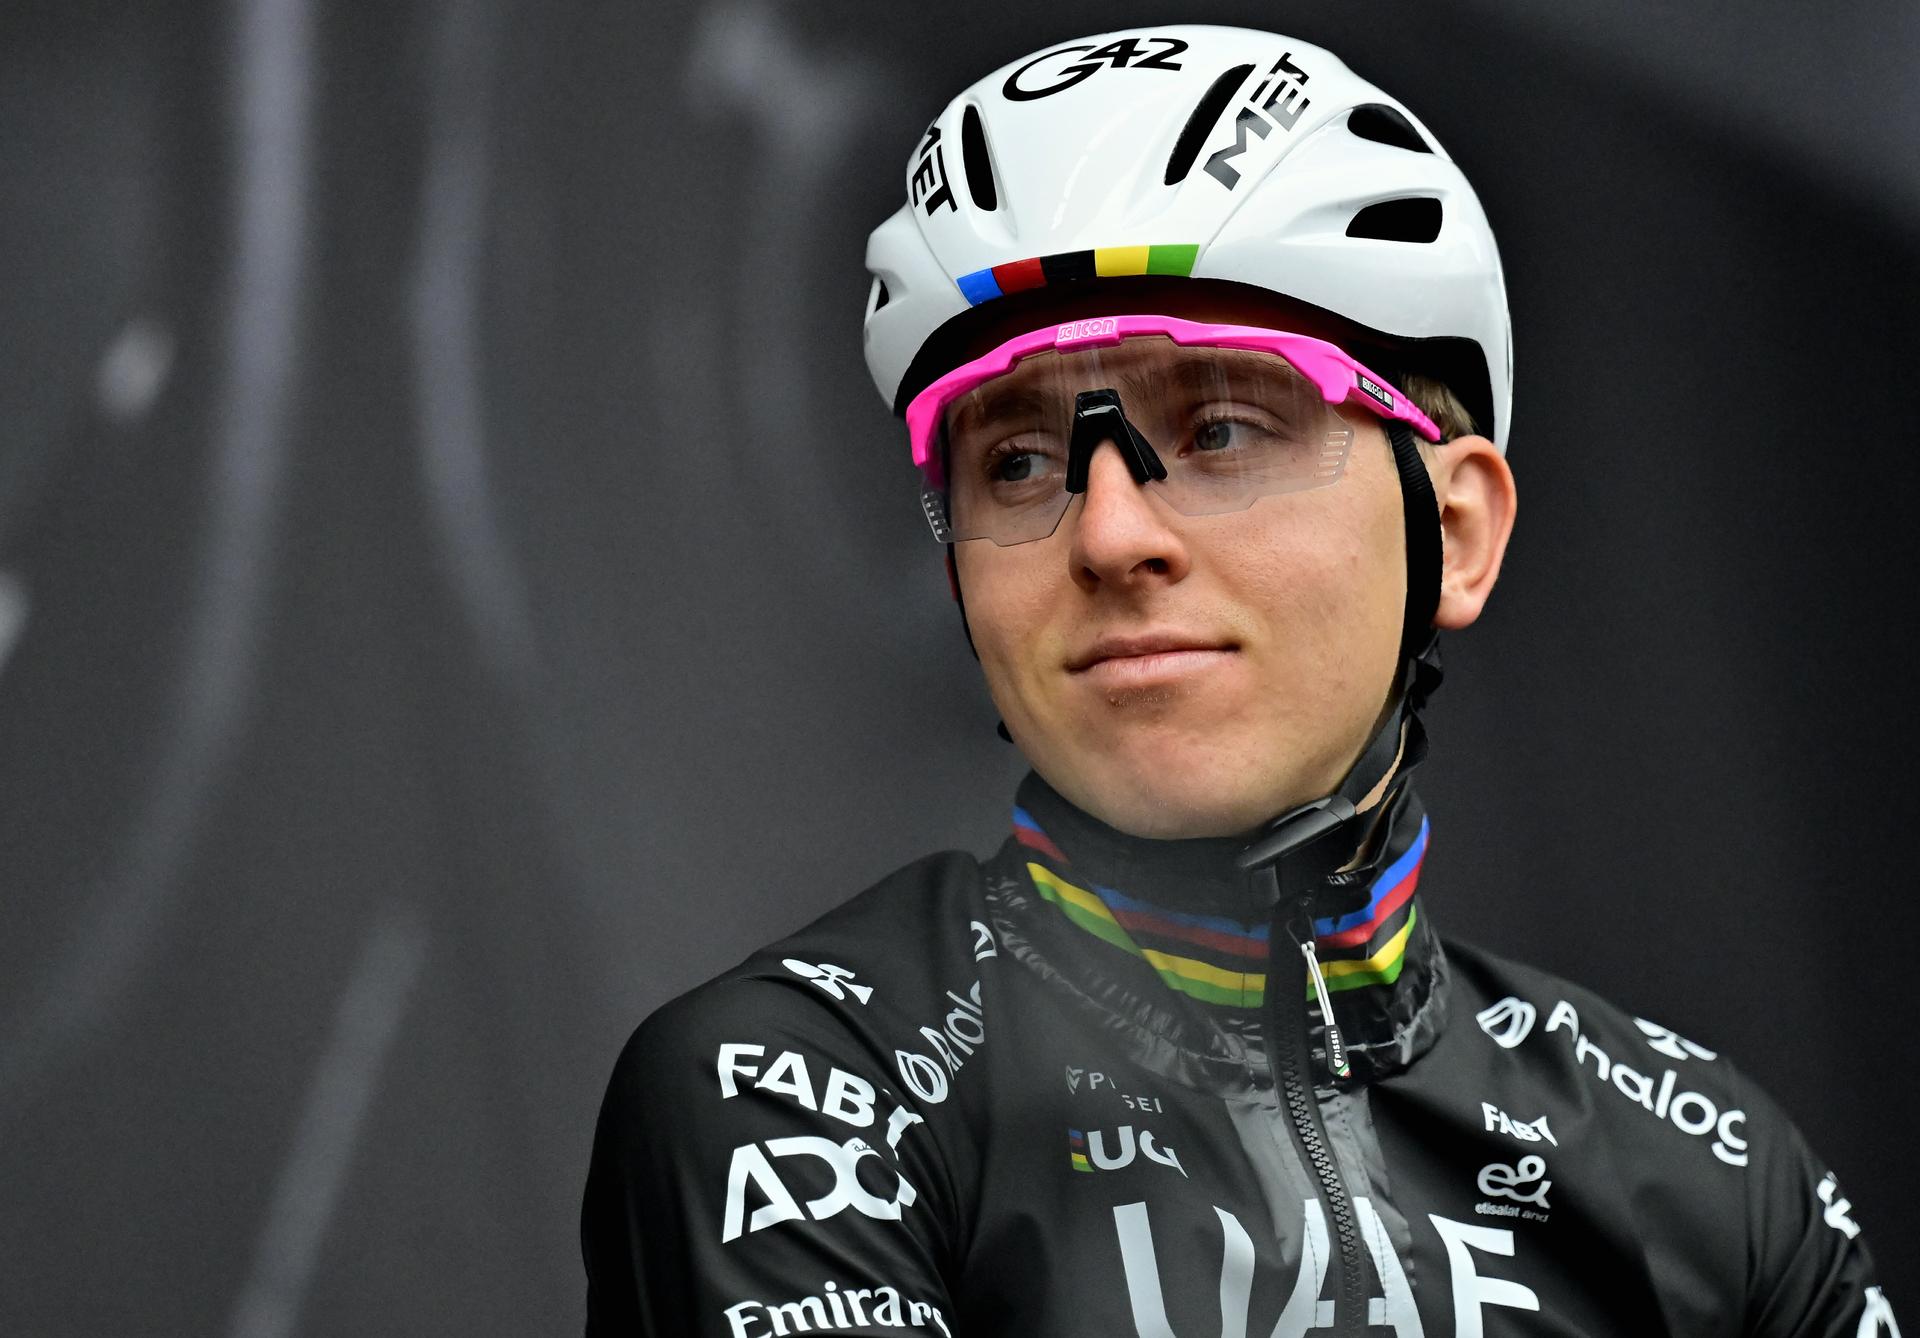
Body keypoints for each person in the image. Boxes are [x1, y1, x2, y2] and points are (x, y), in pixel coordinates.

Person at [581, 24, 1894, 1335]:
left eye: (1219, 428)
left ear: (1461, 529)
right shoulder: (801, 1088)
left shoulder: (1712, 1175)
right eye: (1020, 463)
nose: (1108, 534)